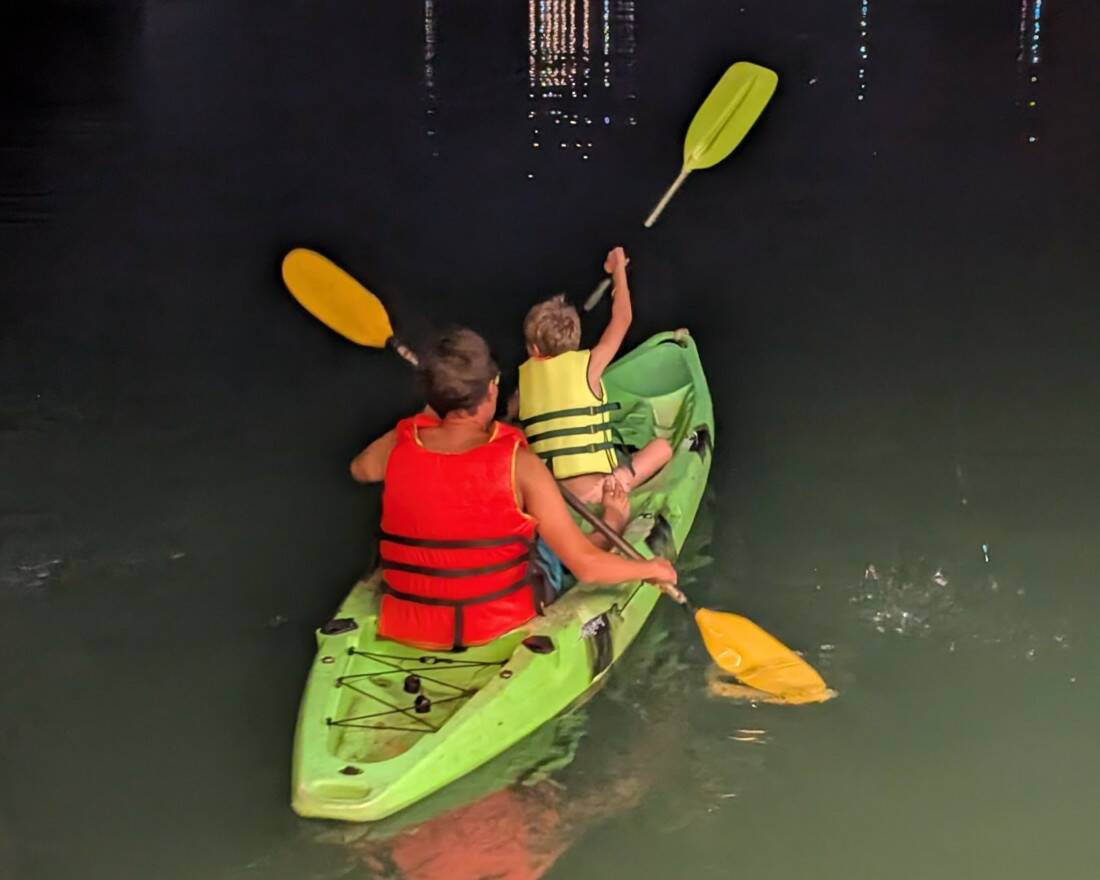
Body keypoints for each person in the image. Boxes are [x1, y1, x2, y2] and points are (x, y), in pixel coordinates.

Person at [350, 327, 676, 652]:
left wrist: (431, 410)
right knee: (541, 539)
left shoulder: (400, 443)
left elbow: (360, 470)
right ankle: (609, 527)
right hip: (495, 623)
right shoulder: (520, 465)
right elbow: (586, 568)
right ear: (492, 390)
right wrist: (650, 568)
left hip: (409, 622)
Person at [515, 246, 672, 505]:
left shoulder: (524, 385)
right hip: (596, 493)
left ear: (533, 349)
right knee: (662, 448)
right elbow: (622, 318)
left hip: (549, 495)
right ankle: (621, 485)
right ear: (575, 340)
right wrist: (618, 270)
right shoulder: (590, 366)